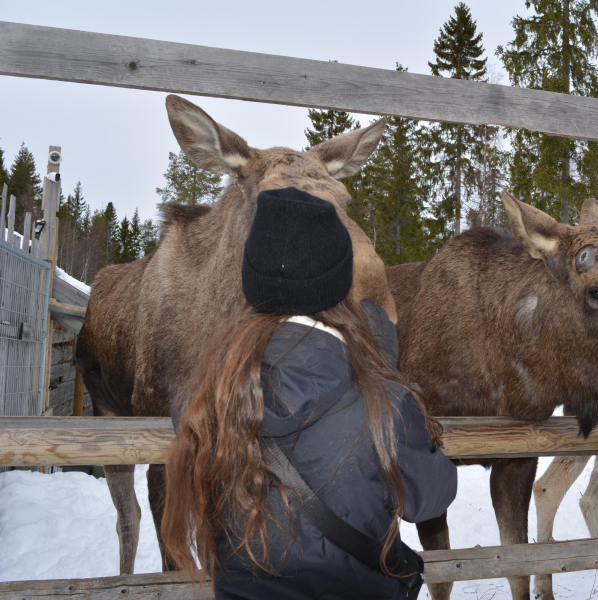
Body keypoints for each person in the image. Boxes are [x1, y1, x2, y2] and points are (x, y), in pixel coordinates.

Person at [162, 187, 458, 599]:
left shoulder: (204, 398)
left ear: (252, 278)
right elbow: (432, 496)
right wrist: (387, 375)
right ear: (337, 284)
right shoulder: (384, 402)